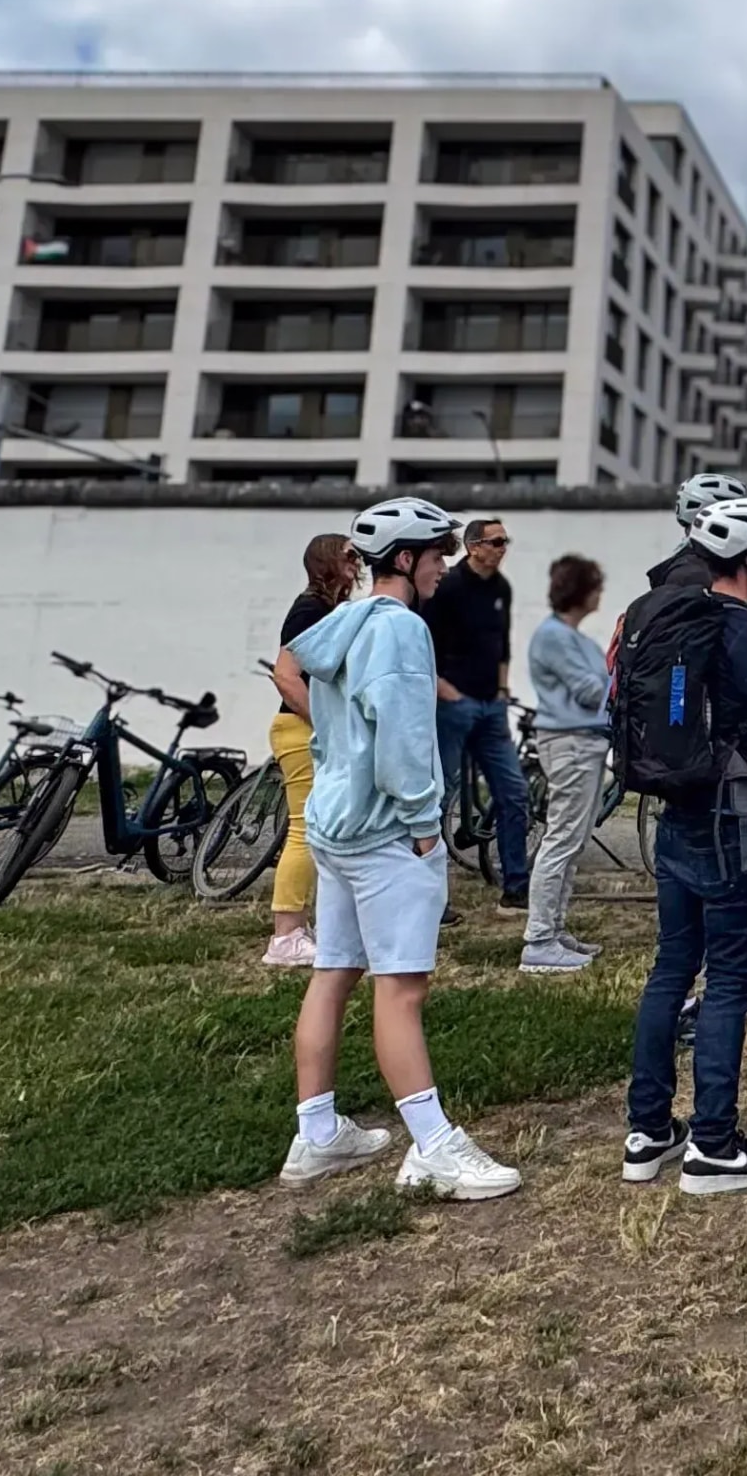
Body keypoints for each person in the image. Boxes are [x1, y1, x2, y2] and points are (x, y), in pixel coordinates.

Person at [277, 496, 522, 1201]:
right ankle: (435, 1145)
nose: (445, 566)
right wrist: (422, 822)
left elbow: (327, 715)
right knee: (402, 987)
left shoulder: (344, 623)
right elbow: (405, 737)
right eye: (438, 554)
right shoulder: (403, 630)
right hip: (385, 832)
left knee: (334, 971)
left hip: (334, 826)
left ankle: (316, 1133)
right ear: (407, 559)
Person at [617, 497, 747, 1196]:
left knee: (670, 968)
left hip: (676, 814)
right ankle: (713, 1147)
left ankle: (647, 1133)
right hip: (734, 823)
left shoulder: (665, 619)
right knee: (727, 981)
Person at [261, 531, 356, 968]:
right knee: (303, 830)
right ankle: (286, 936)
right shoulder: (310, 609)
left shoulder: (329, 609)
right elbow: (285, 675)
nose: (357, 563)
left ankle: (300, 927)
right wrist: (323, 721)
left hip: (305, 729)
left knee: (316, 831)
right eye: (349, 555)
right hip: (299, 730)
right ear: (327, 561)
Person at [519, 553, 612, 974]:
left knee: (573, 840)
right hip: (569, 743)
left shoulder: (575, 638)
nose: (600, 593)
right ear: (581, 591)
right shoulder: (554, 637)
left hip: (585, 743)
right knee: (561, 839)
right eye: (595, 586)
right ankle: (539, 940)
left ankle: (555, 929)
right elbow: (591, 691)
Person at [425, 516, 525, 903]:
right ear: (474, 547)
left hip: (490, 707)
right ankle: (433, 897)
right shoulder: (447, 587)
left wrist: (502, 688)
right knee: (439, 796)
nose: (503, 549)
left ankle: (516, 887)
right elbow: (424, 643)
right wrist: (444, 689)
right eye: (496, 542)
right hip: (453, 706)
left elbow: (502, 645)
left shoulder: (501, 587)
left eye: (505, 541)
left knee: (513, 792)